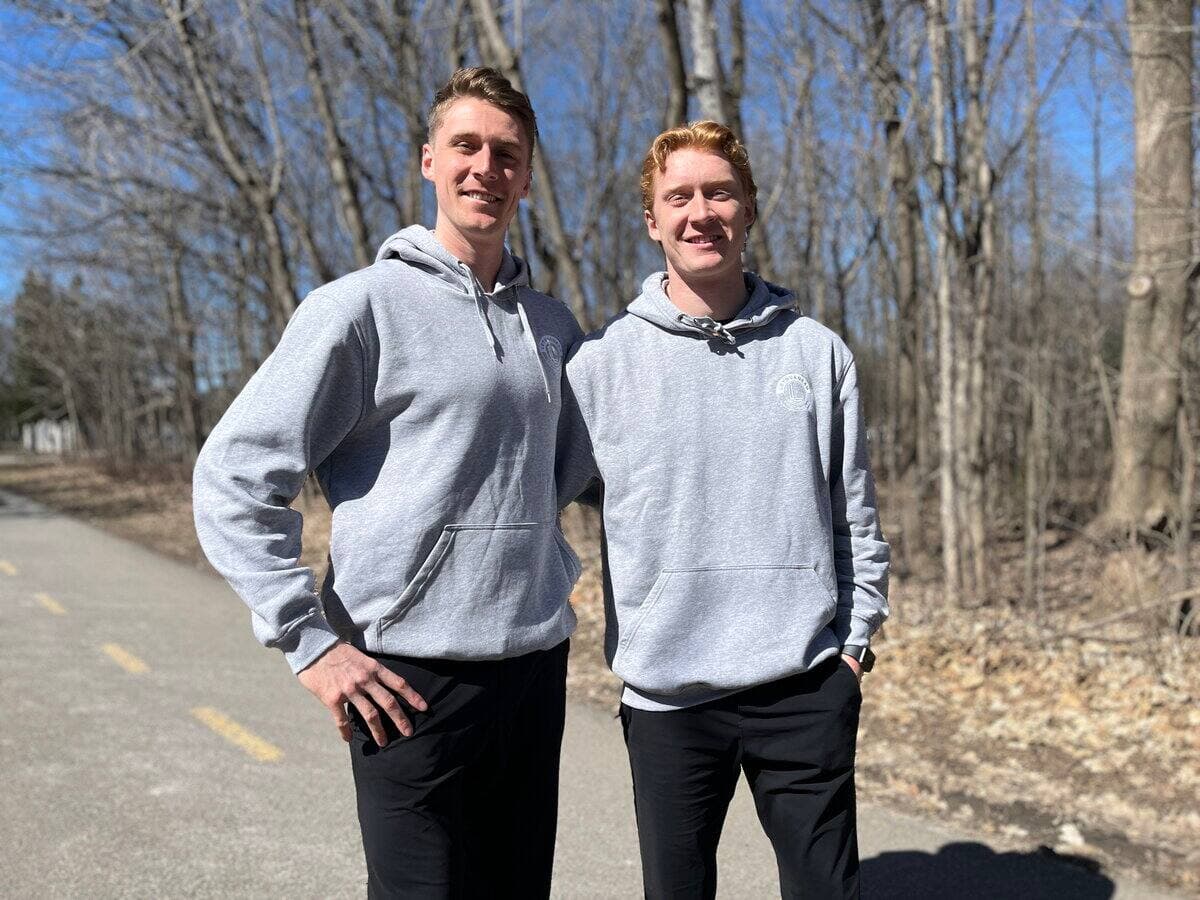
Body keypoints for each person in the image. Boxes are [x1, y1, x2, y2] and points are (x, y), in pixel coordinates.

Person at [193, 67, 583, 899]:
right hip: (405, 678)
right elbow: (232, 476)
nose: (486, 167)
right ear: (427, 162)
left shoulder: (550, 325)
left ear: (528, 175)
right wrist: (313, 645)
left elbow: (588, 472)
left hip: (534, 663)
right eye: (466, 146)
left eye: (507, 153)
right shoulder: (359, 309)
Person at [557, 121, 890, 899]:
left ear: (748, 209)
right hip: (670, 696)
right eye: (679, 196)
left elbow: (855, 517)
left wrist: (854, 643)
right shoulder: (602, 366)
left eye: (720, 192)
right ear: (652, 220)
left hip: (804, 682)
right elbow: (530, 506)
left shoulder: (816, 352)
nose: (700, 211)